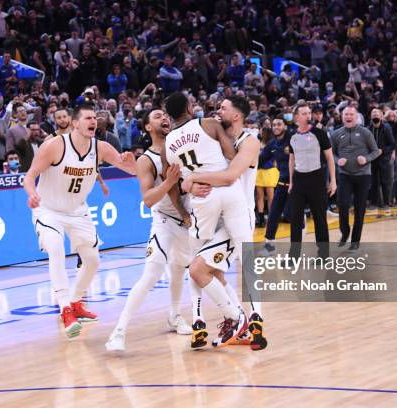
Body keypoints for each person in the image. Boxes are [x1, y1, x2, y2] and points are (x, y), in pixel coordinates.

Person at [23, 104, 137, 338]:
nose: (93, 121)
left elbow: (132, 169)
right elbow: (29, 176)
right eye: (87, 117)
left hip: (77, 211)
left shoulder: (101, 148)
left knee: (93, 261)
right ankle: (65, 307)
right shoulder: (55, 146)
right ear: (75, 123)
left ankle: (75, 301)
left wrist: (131, 160)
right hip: (49, 210)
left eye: (95, 117)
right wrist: (32, 193)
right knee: (56, 249)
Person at [180, 96, 266, 350]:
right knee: (213, 272)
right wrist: (192, 184)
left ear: (237, 115)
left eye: (223, 108)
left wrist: (194, 179)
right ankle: (239, 323)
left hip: (240, 217)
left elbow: (229, 177)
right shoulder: (218, 143)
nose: (217, 111)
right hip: (219, 218)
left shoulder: (249, 142)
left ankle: (251, 320)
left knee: (201, 268)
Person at [164, 92, 249, 349]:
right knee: (207, 267)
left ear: (170, 115)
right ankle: (238, 318)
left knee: (199, 266)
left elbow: (175, 182)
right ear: (190, 107)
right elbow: (232, 154)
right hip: (228, 192)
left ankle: (226, 317)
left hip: (201, 200)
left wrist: (186, 199)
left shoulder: (168, 142)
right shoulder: (209, 123)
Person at [106, 109, 192, 352]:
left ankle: (175, 316)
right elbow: (148, 200)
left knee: (179, 270)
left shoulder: (182, 148)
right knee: (152, 273)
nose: (164, 117)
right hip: (164, 220)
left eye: (166, 114)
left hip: (188, 220)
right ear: (147, 127)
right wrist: (168, 182)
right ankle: (119, 331)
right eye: (157, 116)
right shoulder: (146, 159)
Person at [288, 102, 336, 254]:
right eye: (304, 113)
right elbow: (291, 160)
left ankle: (323, 254)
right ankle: (293, 256)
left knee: (319, 218)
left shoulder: (319, 133)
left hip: (316, 178)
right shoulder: (293, 136)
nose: (308, 116)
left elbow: (329, 157)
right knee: (295, 219)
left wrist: (333, 180)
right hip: (299, 180)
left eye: (309, 113)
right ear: (296, 117)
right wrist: (291, 182)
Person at [331, 105, 381, 249]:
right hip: (345, 175)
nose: (348, 117)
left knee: (360, 209)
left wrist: (366, 159)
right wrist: (337, 160)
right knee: (343, 205)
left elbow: (376, 151)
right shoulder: (335, 134)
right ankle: (345, 232)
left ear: (356, 116)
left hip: (363, 175)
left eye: (351, 114)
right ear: (342, 117)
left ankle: (355, 241)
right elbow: (331, 154)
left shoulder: (365, 133)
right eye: (346, 114)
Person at [261, 116, 295, 241]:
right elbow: (261, 159)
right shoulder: (272, 144)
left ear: (285, 126)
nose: (276, 127)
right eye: (274, 124)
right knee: (273, 214)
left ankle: (300, 233)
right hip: (281, 183)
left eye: (279, 124)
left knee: (290, 215)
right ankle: (269, 245)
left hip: (296, 184)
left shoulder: (293, 139)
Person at [368, 108, 396, 210]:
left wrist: (382, 151)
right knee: (373, 181)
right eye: (373, 113)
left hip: (384, 159)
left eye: (377, 113)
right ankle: (374, 203)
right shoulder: (368, 129)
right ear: (371, 116)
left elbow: (392, 144)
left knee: (386, 181)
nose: (375, 115)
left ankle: (387, 203)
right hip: (372, 159)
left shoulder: (386, 128)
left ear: (381, 116)